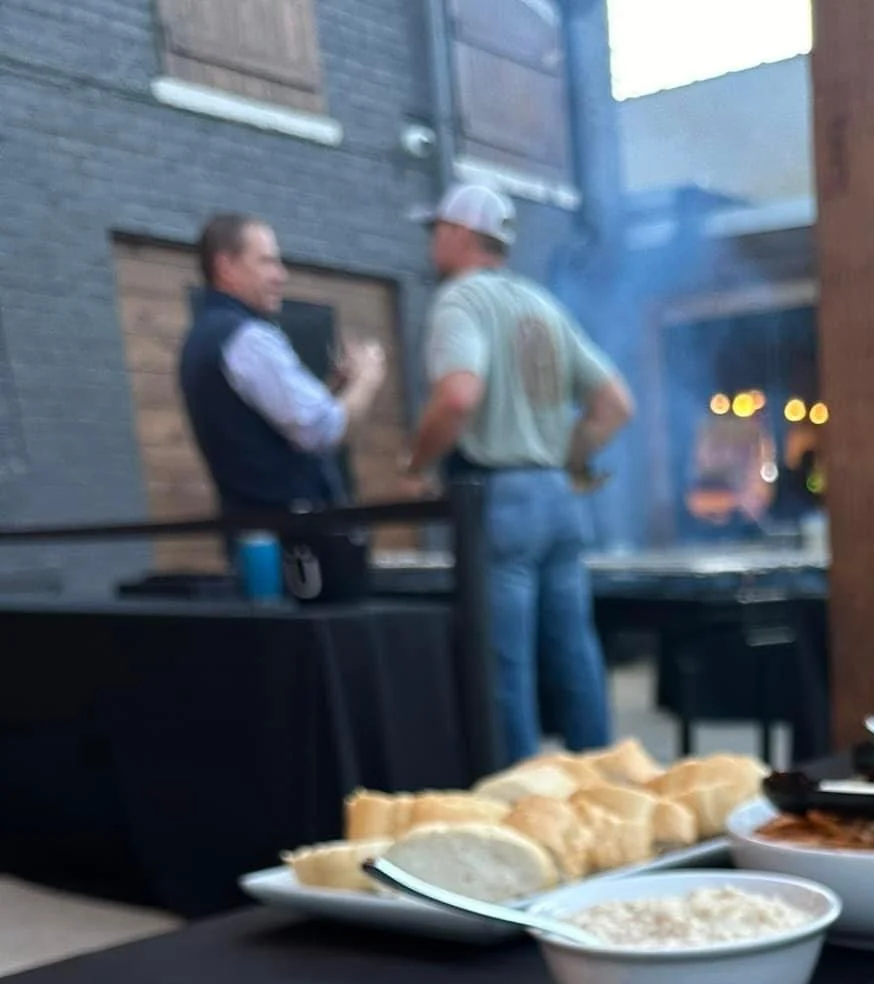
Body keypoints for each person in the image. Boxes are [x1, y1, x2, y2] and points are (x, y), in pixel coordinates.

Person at [405, 183, 634, 764]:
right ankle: (602, 788)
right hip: (559, 499)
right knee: (574, 653)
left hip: (502, 498)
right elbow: (615, 404)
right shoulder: (542, 306)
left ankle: (517, 802)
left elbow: (458, 396)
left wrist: (416, 462)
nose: (433, 243)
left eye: (437, 231)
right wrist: (567, 456)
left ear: (459, 233)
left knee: (504, 662)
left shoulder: (460, 301)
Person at [179, 213, 385, 532]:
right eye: (267, 262)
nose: (281, 275)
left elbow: (275, 429)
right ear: (226, 266)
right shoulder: (247, 339)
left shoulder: (203, 338)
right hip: (298, 547)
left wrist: (334, 390)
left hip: (255, 536)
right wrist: (367, 377)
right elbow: (321, 429)